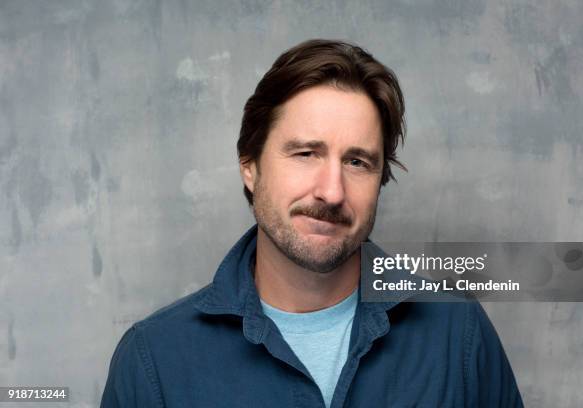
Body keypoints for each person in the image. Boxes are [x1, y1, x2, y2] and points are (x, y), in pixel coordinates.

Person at [101, 39, 523, 408]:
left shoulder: (458, 335)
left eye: (357, 162)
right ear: (250, 167)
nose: (332, 192)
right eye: (306, 153)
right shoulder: (153, 360)